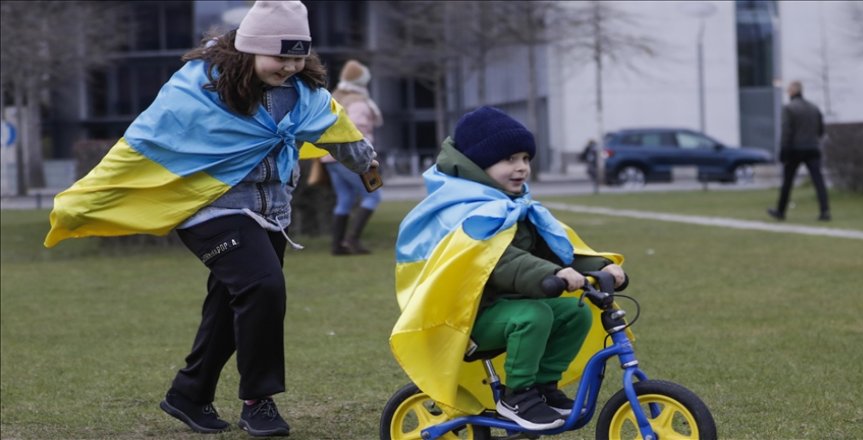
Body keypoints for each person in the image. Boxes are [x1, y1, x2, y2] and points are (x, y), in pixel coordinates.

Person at [44, 1, 377, 437]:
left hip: (271, 214)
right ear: (250, 48)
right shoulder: (201, 88)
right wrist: (85, 199)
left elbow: (338, 131)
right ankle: (259, 400)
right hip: (208, 208)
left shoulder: (305, 94)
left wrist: (368, 168)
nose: (290, 67)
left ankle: (189, 393)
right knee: (263, 286)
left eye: (298, 57)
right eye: (281, 57)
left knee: (231, 304)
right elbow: (144, 140)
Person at [391, 107, 627, 430]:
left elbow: (556, 249)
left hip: (508, 307)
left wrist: (601, 267)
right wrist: (550, 275)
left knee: (575, 311)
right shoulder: (467, 212)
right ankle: (518, 397)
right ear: (478, 165)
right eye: (510, 160)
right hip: (466, 318)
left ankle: (545, 387)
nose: (521, 168)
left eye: (526, 159)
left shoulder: (513, 204)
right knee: (534, 315)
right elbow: (498, 261)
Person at [323, 59, 384, 255]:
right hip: (351, 157)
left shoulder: (336, 97)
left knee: (345, 199)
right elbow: (356, 132)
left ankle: (337, 245)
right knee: (373, 196)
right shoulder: (358, 102)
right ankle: (352, 240)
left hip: (329, 157)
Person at [768, 80, 831, 221]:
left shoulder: (789, 108)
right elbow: (821, 130)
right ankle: (825, 211)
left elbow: (786, 132)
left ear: (793, 91)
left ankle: (780, 211)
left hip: (795, 150)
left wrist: (783, 151)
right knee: (818, 181)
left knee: (787, 182)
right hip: (813, 148)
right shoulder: (814, 108)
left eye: (789, 90)